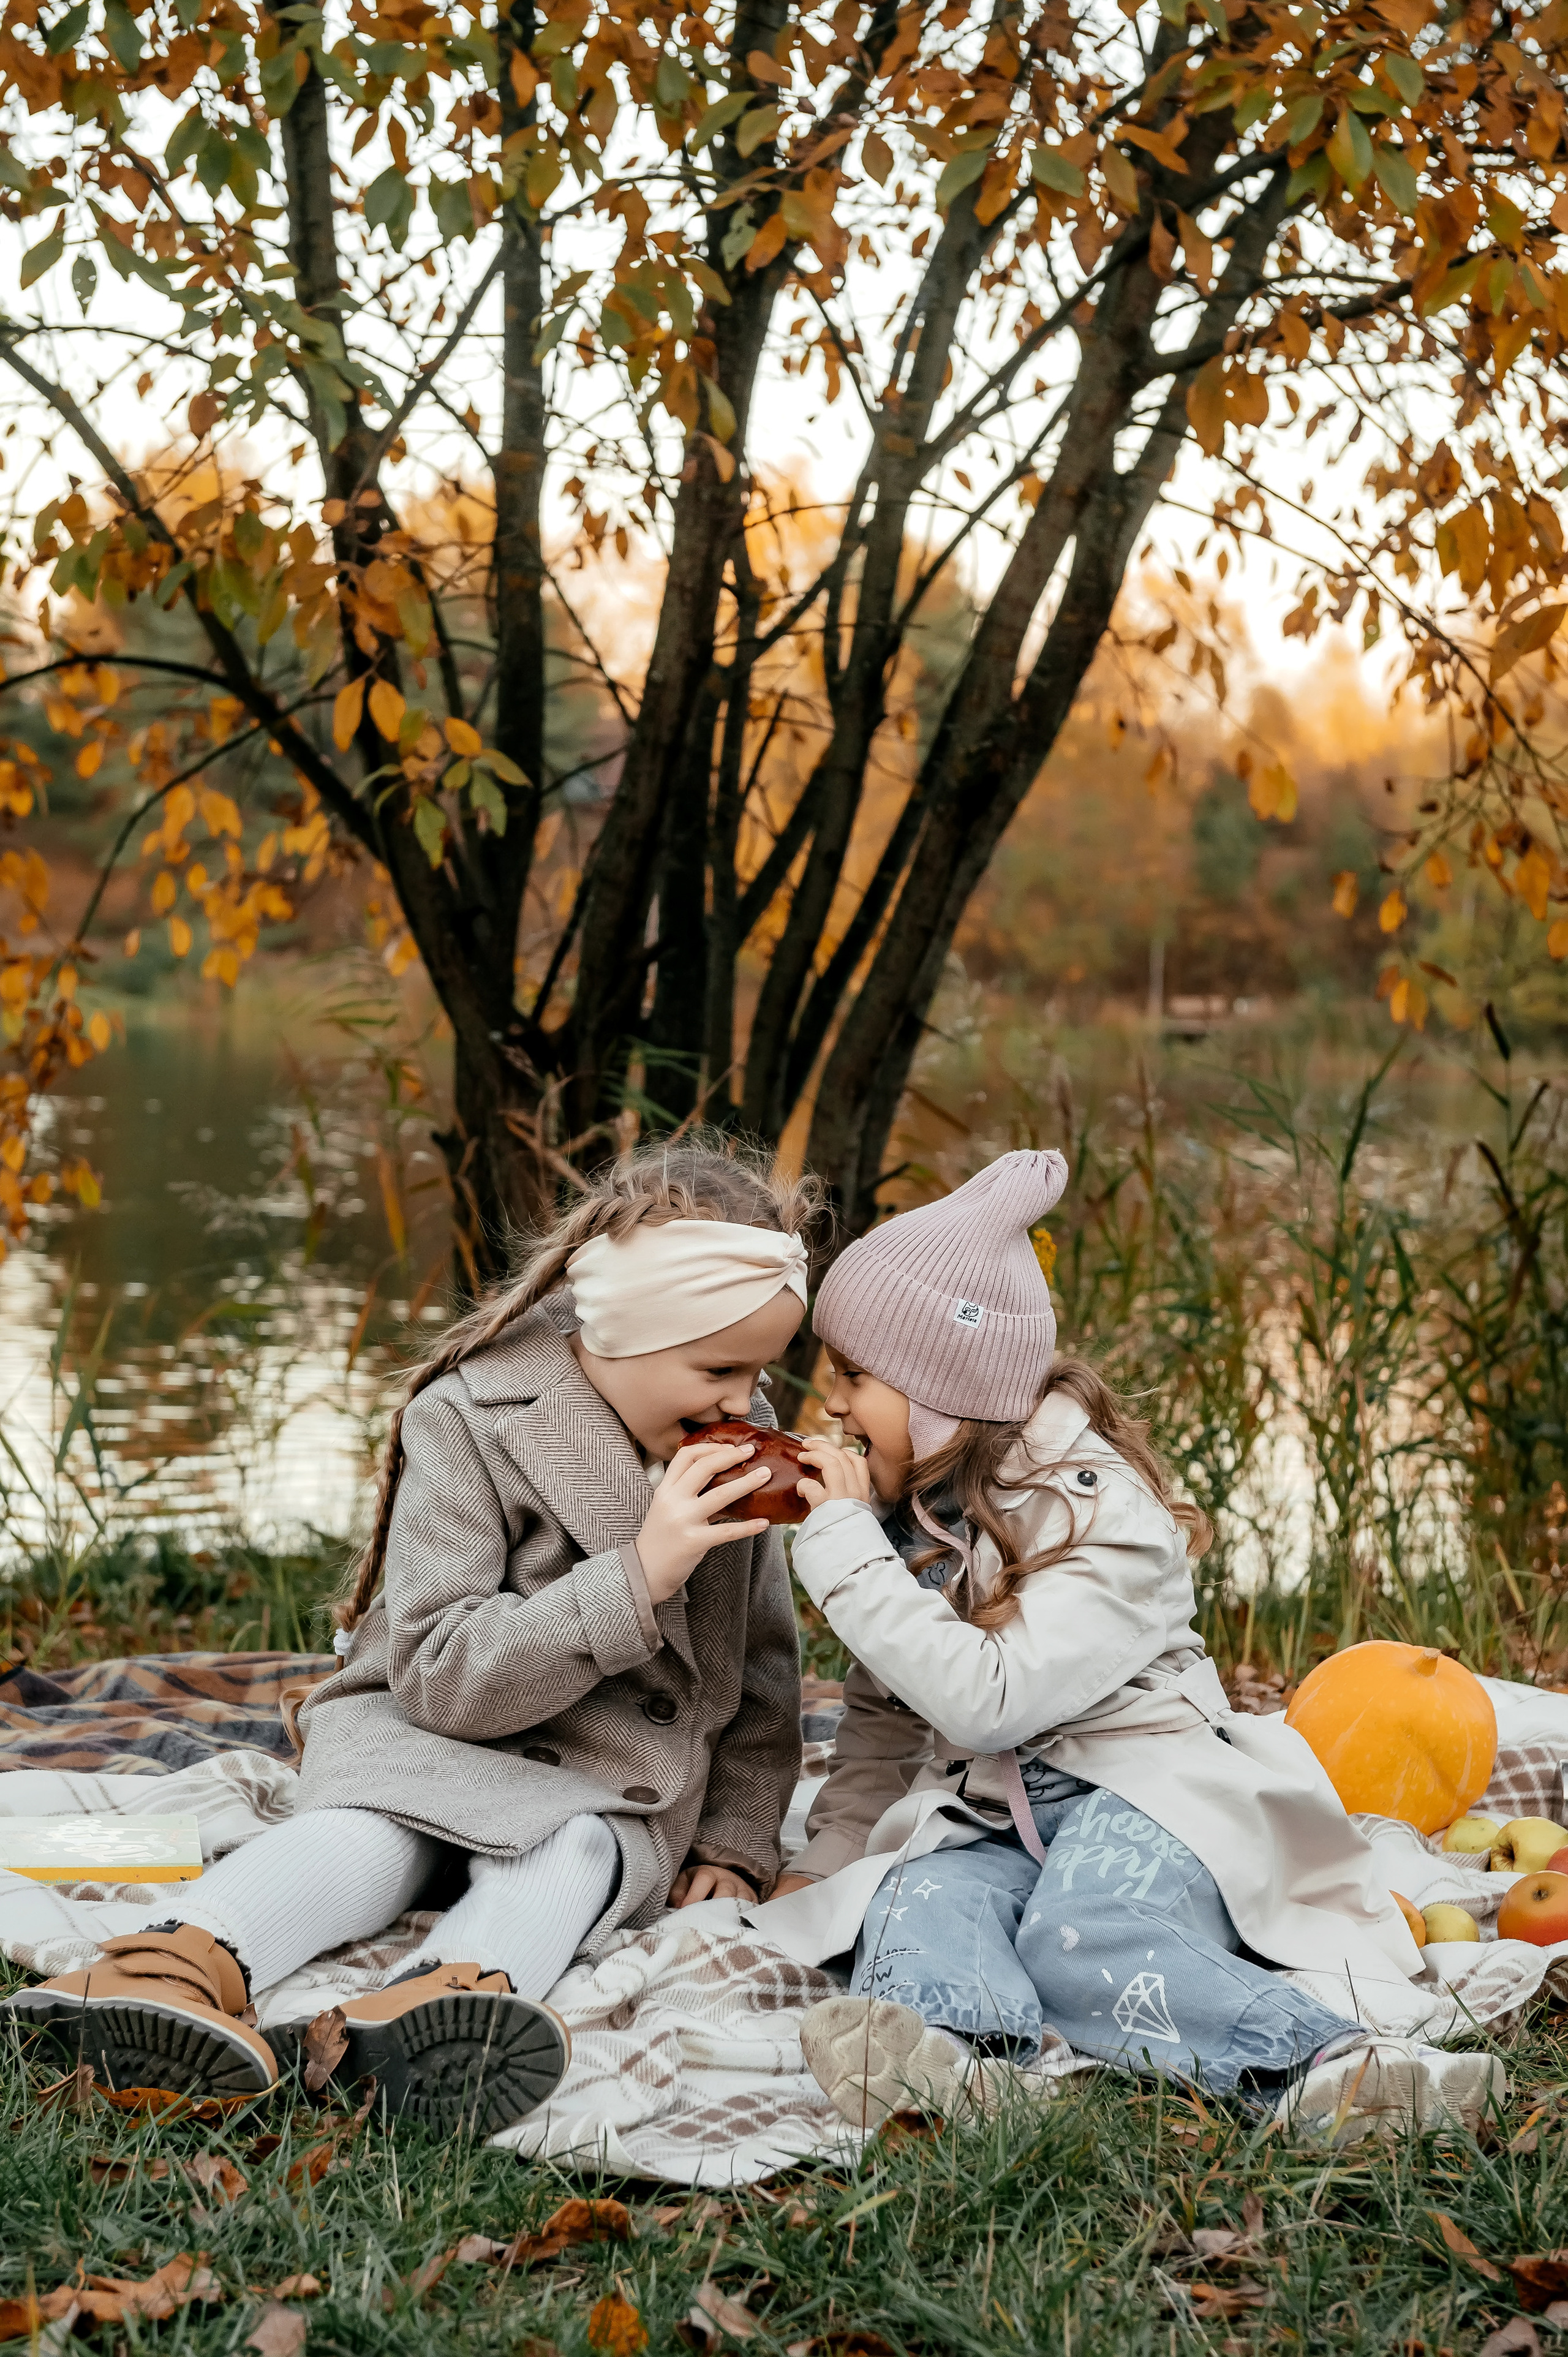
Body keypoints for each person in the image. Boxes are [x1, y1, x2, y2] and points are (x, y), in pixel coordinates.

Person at [2, 1137, 813, 2134]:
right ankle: (165, 1968)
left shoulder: (733, 1453)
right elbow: (438, 1672)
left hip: (607, 1780)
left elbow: (761, 1672)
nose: (744, 1400)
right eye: (720, 1368)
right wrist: (640, 1577)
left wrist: (736, 1838)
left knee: (572, 1856)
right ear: (628, 1331)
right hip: (430, 1733)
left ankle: (436, 2015)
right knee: (362, 1837)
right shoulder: (468, 1418)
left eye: (760, 1370)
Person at [757, 1149, 1503, 2139]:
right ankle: (962, 2067)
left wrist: (844, 1551)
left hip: (1147, 1794)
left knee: (1085, 1933)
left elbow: (989, 1701)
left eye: (855, 1376)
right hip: (998, 1815)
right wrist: (831, 1861)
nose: (834, 1405)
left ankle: (1332, 2067)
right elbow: (887, 1717)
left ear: (940, 1386)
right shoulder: (919, 1519)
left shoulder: (1098, 1513)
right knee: (912, 1898)